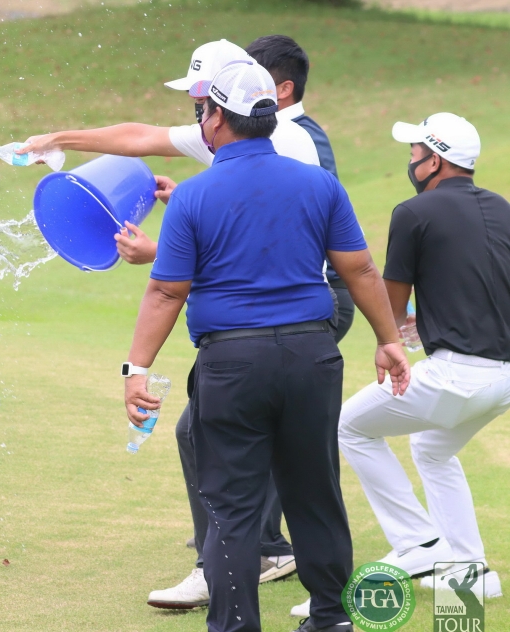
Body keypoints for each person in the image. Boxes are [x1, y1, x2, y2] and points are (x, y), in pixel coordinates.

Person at [19, 39, 322, 609]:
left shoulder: (278, 143)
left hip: (289, 306)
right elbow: (140, 137)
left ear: (224, 97)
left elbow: (263, 245)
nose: (195, 112)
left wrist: (162, 248)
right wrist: (57, 139)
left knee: (223, 435)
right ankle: (263, 554)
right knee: (241, 437)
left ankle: (232, 563)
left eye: (200, 99)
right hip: (278, 310)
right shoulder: (228, 133)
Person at [122, 61, 410, 632]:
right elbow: (358, 268)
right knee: (315, 493)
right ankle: (331, 619)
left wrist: (136, 369)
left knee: (232, 507)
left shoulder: (194, 197)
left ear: (217, 119)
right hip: (311, 356)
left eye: (201, 109)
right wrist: (388, 340)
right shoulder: (319, 184)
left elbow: (165, 291)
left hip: (231, 365)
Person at [337, 113, 505, 596]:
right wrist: (426, 324)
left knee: (350, 426)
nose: (410, 161)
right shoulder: (502, 208)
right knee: (432, 449)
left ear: (436, 161)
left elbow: (389, 298)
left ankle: (418, 542)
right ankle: (471, 572)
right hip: (502, 380)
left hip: (457, 376)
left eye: (414, 153)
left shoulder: (412, 213)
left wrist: (390, 339)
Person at [245, 34, 357, 618]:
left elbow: (291, 229)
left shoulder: (295, 138)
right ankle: (261, 543)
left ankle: (264, 548)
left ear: (281, 89)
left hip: (315, 298)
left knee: (268, 422)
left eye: (249, 73)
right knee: (265, 419)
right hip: (298, 297)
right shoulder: (266, 136)